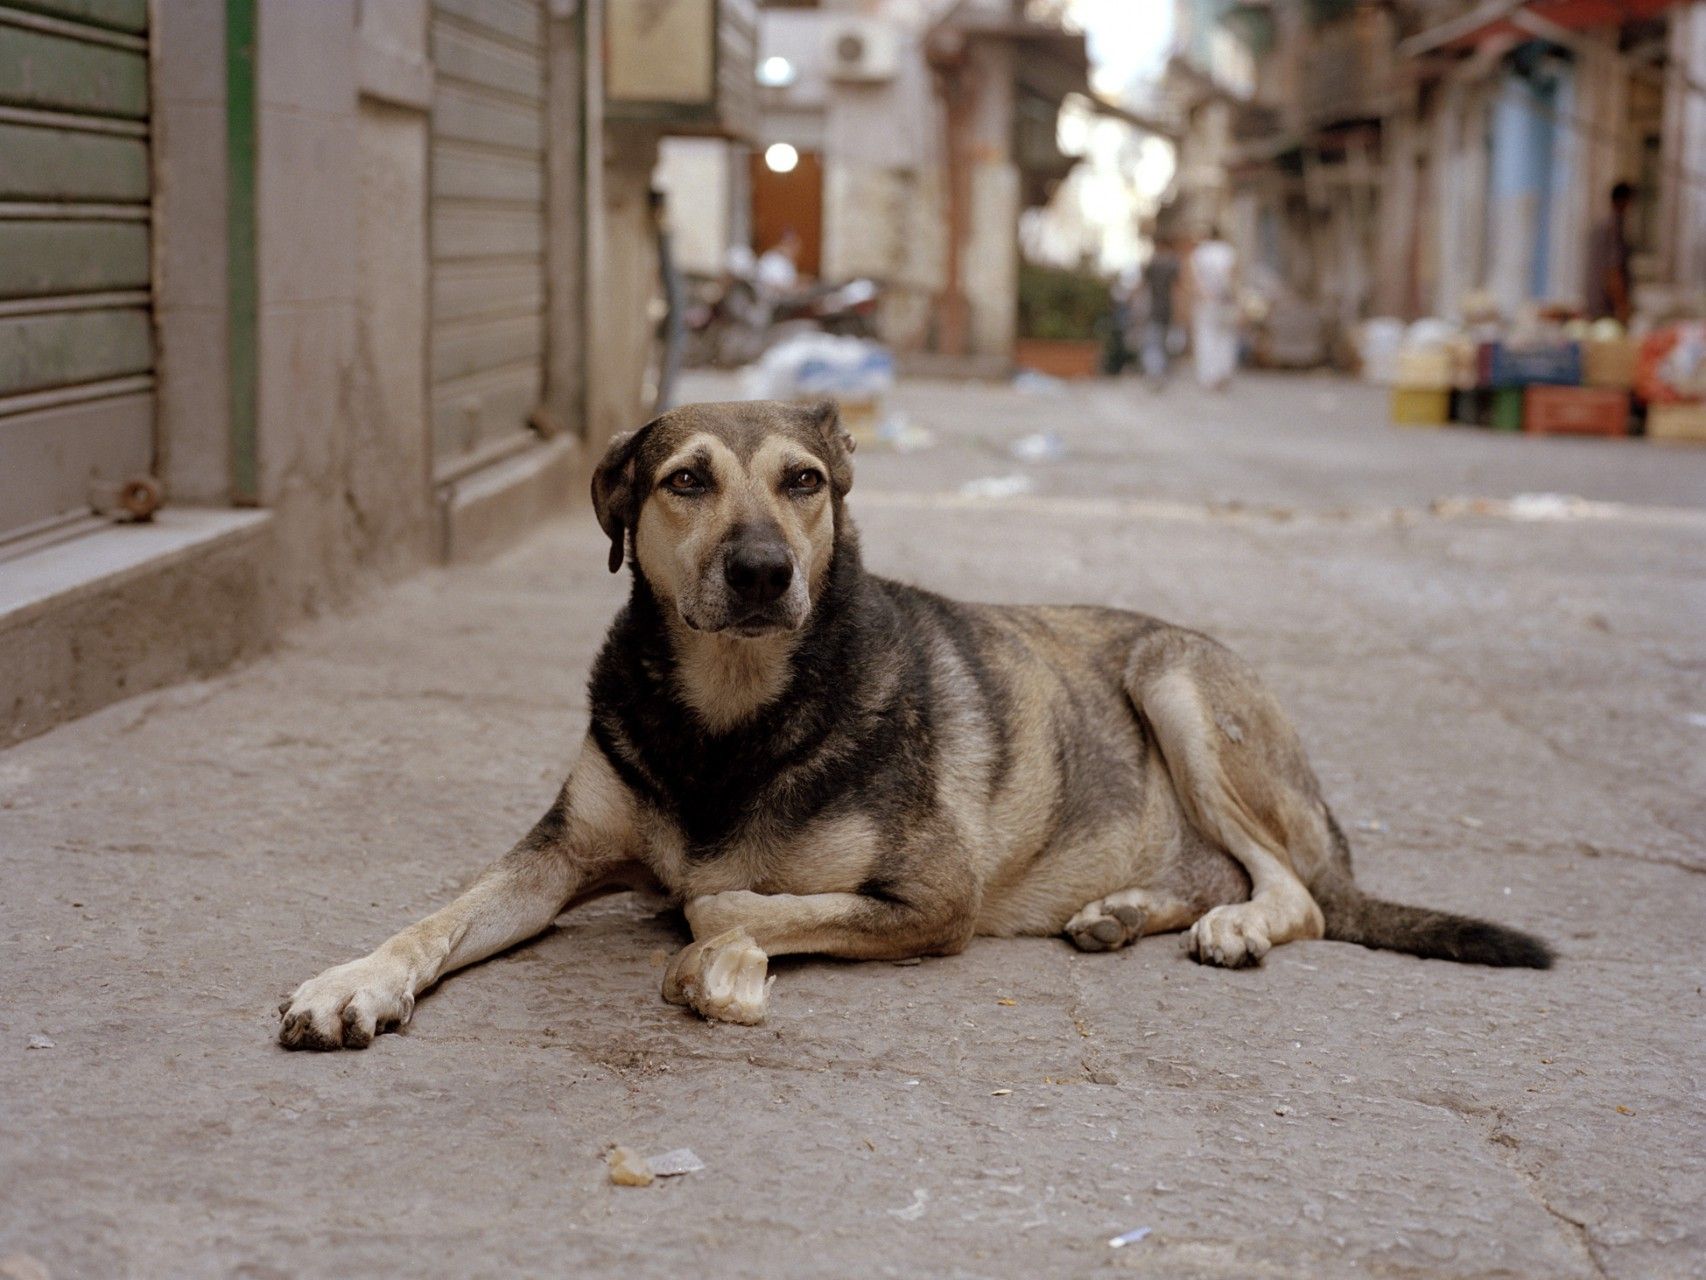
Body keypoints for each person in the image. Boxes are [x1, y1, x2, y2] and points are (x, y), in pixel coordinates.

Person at [1188, 226, 1238, 390]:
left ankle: (1208, 376)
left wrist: (1205, 295)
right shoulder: (1227, 252)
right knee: (1225, 337)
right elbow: (1231, 276)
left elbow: (1195, 280)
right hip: (1225, 300)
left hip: (1206, 301)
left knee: (1206, 337)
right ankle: (1223, 372)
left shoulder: (1199, 253)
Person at [1586, 181, 1635, 324]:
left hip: (1594, 303)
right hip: (1606, 306)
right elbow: (1613, 270)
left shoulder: (1601, 225)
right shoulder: (1614, 229)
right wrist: (1622, 306)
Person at [1140, 234, 1182, 386]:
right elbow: (1177, 289)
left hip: (1155, 308)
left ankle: (1155, 371)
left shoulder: (1153, 263)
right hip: (1166, 308)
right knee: (1161, 341)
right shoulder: (1172, 263)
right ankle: (1158, 371)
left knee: (1154, 341)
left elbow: (1142, 285)